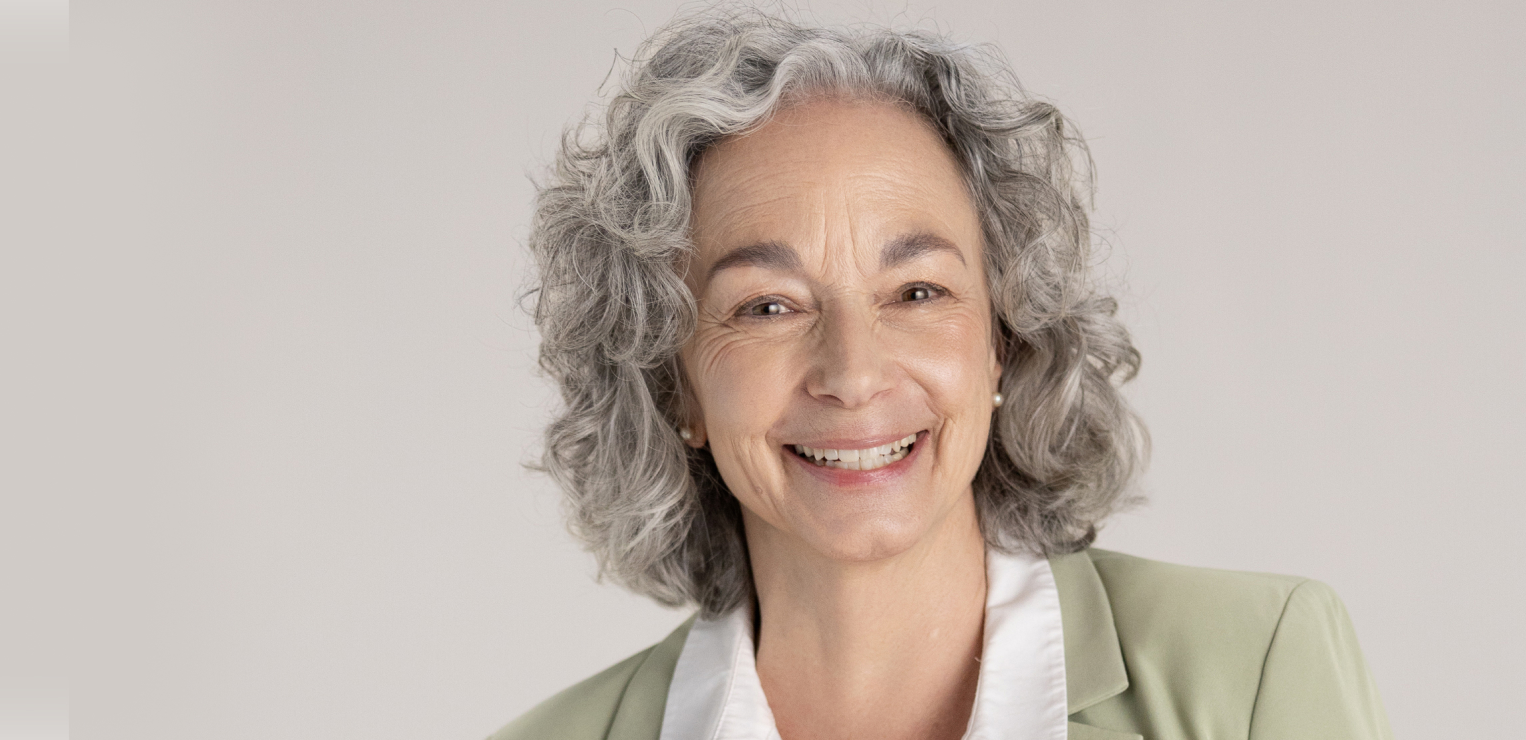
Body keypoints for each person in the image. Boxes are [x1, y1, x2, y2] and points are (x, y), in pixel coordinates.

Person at [495, 9, 1391, 740]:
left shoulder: (1249, 681)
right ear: (674, 384)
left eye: (918, 291)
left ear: (1003, 338)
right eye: (768, 306)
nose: (852, 372)